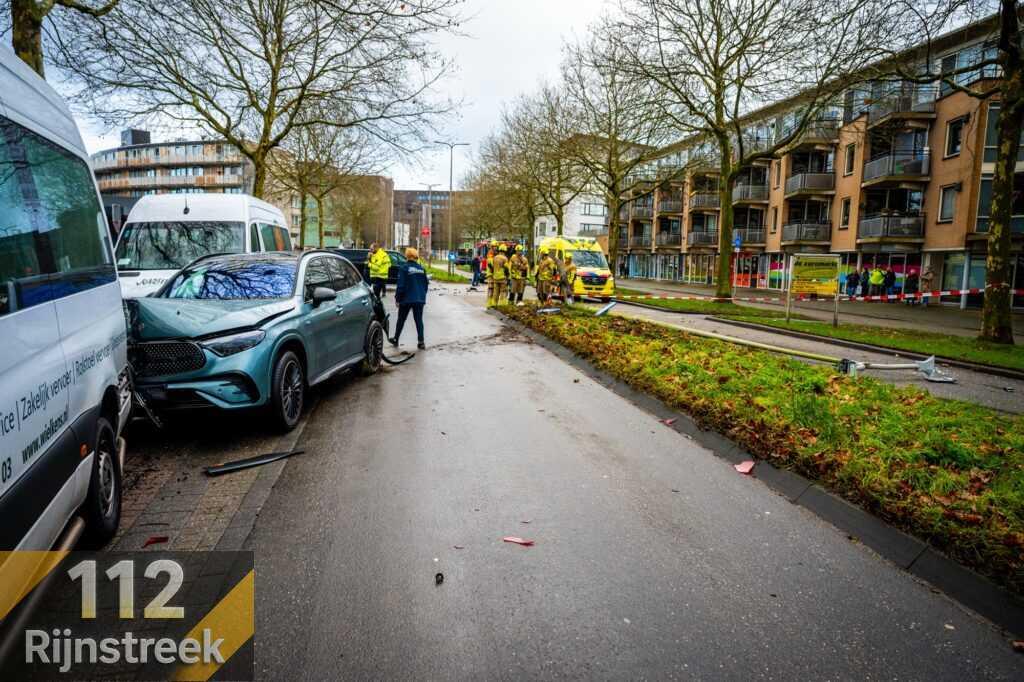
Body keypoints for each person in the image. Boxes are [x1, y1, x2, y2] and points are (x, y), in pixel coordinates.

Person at [389, 247, 428, 350]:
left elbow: (400, 285)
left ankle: (396, 339)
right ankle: (421, 342)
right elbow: (425, 285)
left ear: (407, 256)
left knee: (401, 319)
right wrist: (422, 295)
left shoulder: (404, 268)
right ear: (415, 257)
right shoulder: (421, 269)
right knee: (419, 320)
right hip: (419, 299)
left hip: (406, 299)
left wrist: (397, 298)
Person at [487, 243, 510, 308]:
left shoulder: (495, 257)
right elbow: (506, 268)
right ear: (505, 251)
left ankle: (494, 304)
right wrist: (508, 277)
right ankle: (502, 305)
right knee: (503, 291)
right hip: (502, 278)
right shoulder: (505, 258)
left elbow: (491, 267)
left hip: (495, 278)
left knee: (496, 292)